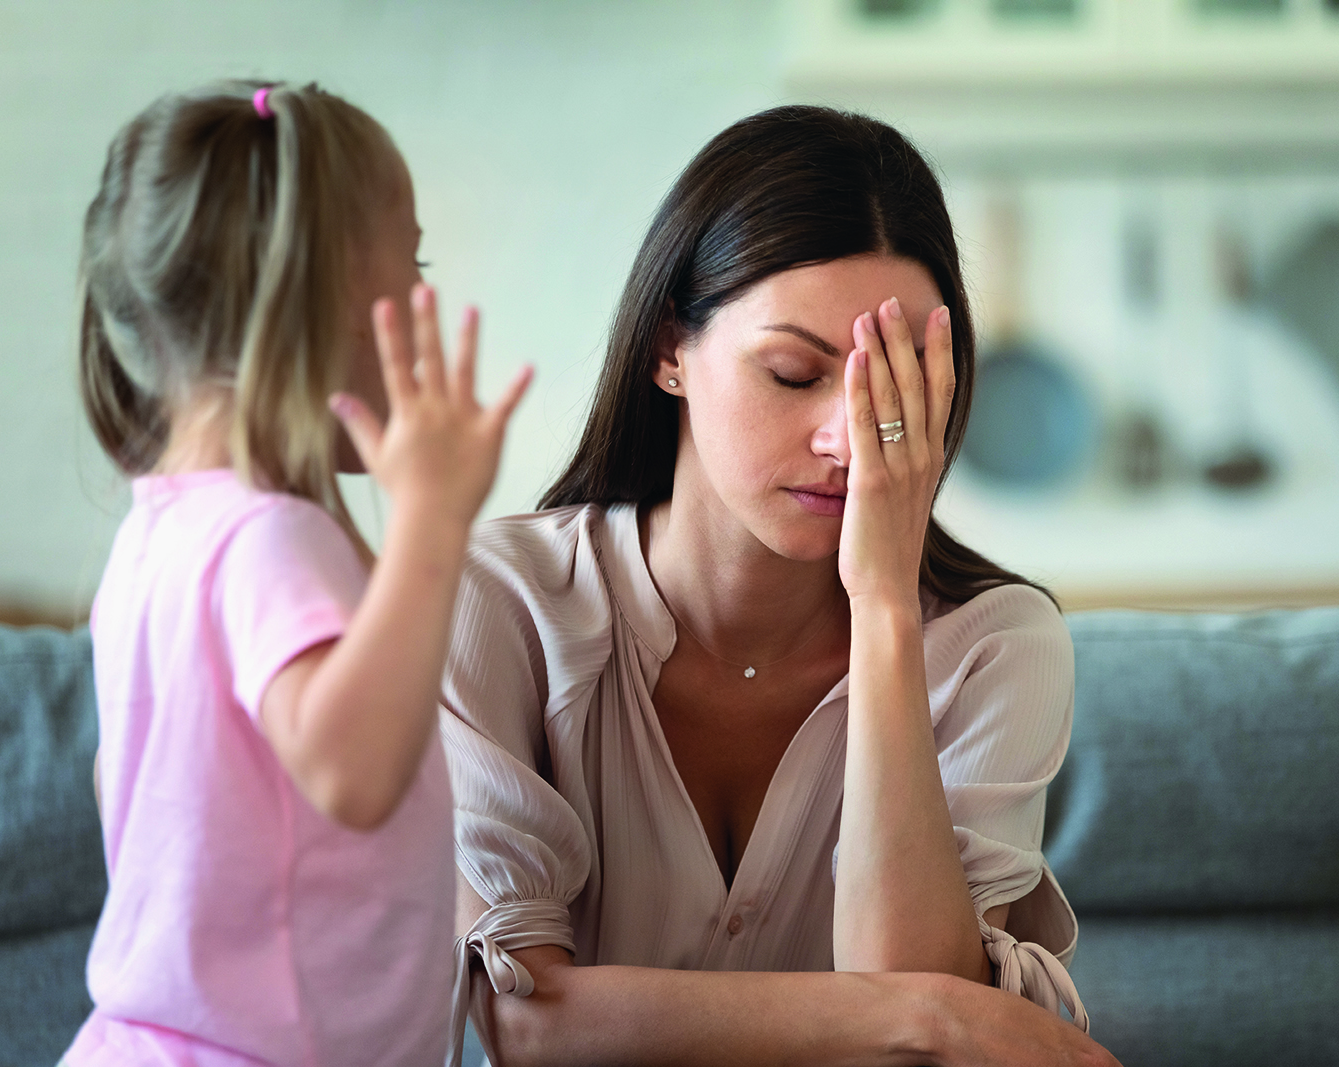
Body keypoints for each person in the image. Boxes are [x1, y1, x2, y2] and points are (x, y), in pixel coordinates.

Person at [439, 106, 1117, 1066]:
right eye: (795, 373)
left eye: (895, 388)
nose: (848, 440)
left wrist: (883, 604)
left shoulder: (998, 643)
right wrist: (930, 1014)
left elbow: (910, 1022)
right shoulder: (498, 602)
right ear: (668, 348)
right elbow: (526, 1024)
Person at [63, 80, 529, 1067]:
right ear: (321, 299)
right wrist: (432, 520)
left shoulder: (155, 536)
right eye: (412, 264)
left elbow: (134, 796)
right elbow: (354, 772)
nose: (425, 300)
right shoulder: (272, 537)